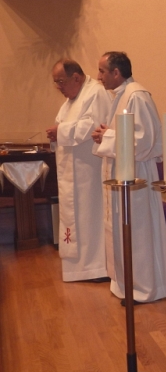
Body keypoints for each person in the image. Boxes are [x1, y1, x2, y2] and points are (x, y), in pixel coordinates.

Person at [92, 51, 166, 303]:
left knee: (138, 232)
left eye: (102, 71)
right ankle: (126, 284)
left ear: (117, 73)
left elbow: (145, 140)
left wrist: (107, 136)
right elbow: (125, 133)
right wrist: (108, 133)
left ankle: (145, 287)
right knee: (122, 229)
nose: (99, 77)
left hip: (138, 176)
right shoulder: (121, 96)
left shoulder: (137, 96)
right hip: (124, 172)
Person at [46, 59, 112, 282]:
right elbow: (64, 124)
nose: (59, 88)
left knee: (89, 217)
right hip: (72, 173)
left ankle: (98, 268)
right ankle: (80, 268)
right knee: (77, 219)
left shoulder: (96, 93)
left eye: (61, 82)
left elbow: (94, 125)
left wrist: (61, 131)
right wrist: (56, 134)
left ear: (76, 77)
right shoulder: (69, 101)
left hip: (90, 172)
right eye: (56, 83)